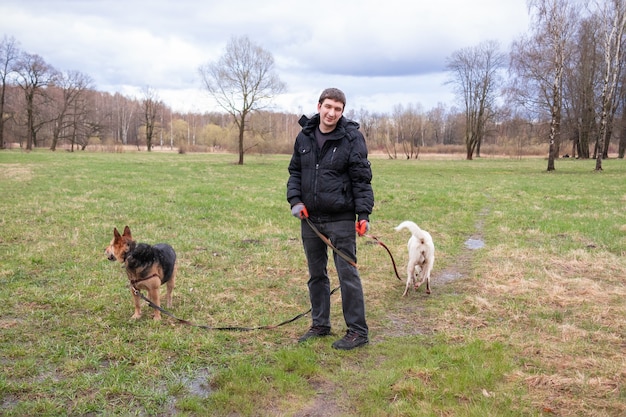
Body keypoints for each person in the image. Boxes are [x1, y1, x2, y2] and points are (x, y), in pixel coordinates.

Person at [287, 88, 374, 350]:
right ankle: (320, 325)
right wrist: (295, 201)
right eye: (328, 107)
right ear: (319, 106)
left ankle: (358, 331)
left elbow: (361, 179)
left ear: (342, 111)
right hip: (311, 219)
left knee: (347, 275)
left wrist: (364, 214)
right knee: (316, 275)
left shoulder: (352, 138)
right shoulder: (304, 136)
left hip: (341, 219)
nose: (332, 113)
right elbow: (295, 173)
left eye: (337, 109)